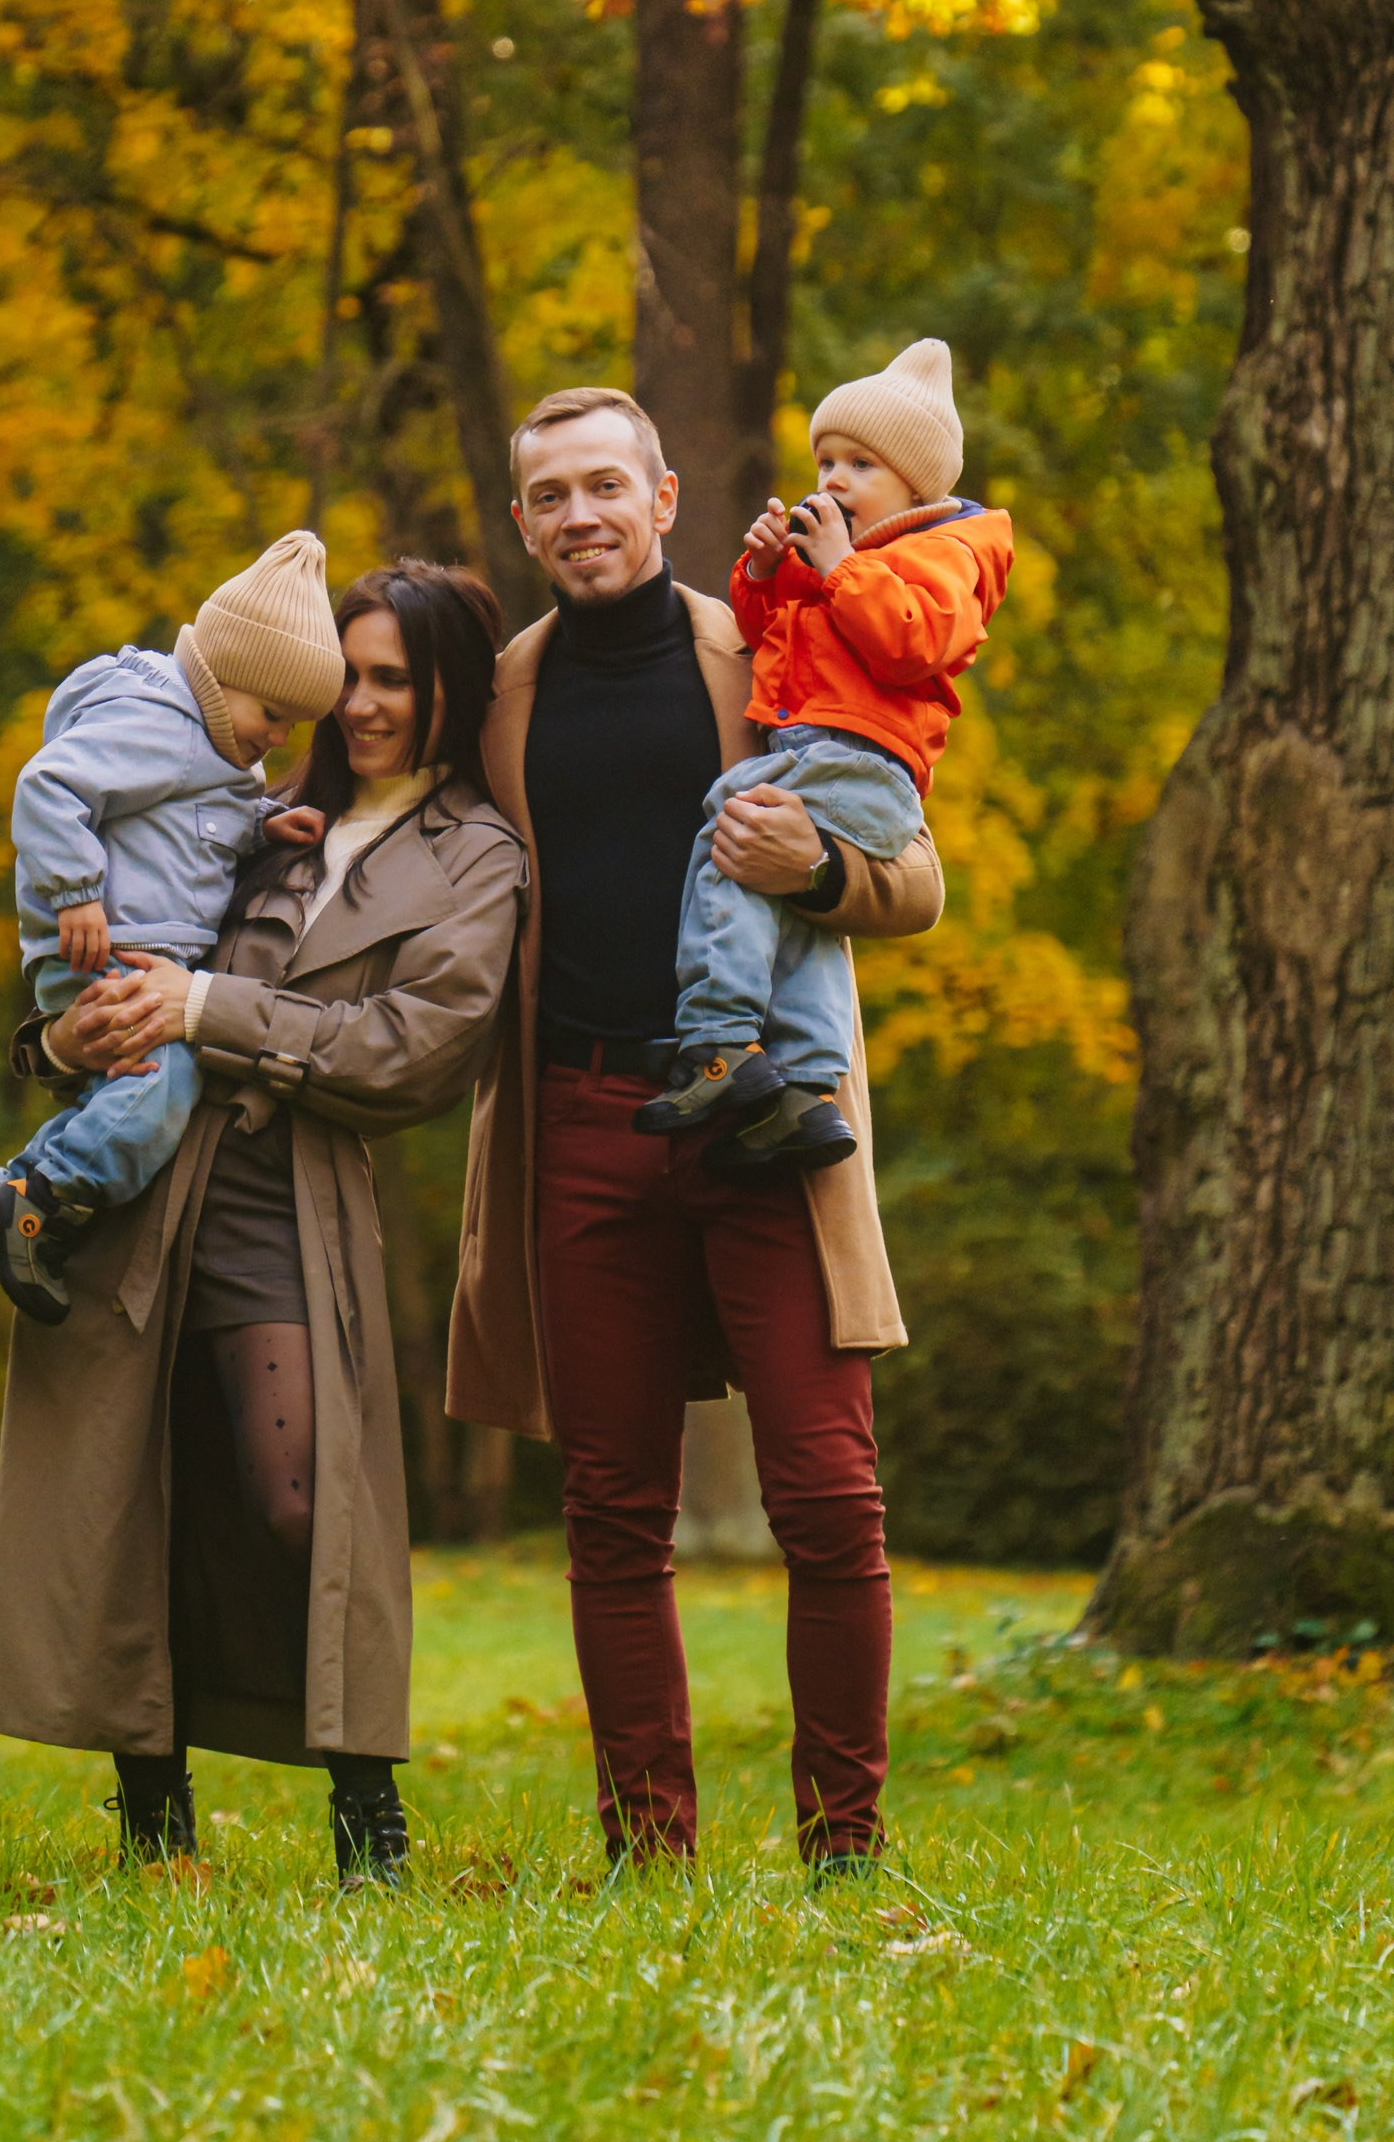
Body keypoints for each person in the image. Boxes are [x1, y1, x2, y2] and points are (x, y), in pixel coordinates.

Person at [0, 561, 525, 1888]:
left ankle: (364, 1812)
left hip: (285, 1192)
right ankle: (156, 1824)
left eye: (396, 680)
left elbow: (412, 1055)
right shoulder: (254, 800)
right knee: (129, 1481)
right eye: (355, 678)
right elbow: (109, 944)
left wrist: (209, 1008)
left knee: (294, 1501)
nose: (368, 706)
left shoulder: (479, 860)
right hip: (140, 1175)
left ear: (450, 692)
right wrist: (56, 1031)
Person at [445, 383, 944, 1879]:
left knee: (829, 1497)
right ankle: (649, 1853)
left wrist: (814, 868)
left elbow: (915, 878)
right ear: (527, 522)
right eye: (553, 496)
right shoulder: (502, 698)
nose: (584, 515)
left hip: (769, 1126)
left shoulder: (778, 642)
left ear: (665, 498)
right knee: (610, 1511)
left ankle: (844, 1846)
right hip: (584, 1119)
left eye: (610, 485)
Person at [0, 531, 341, 1327]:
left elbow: (185, 823)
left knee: (127, 1094)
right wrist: (77, 892)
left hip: (132, 947)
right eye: (274, 714)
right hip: (105, 944)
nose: (278, 737)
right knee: (161, 1088)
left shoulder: (206, 744)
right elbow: (49, 785)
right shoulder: (163, 726)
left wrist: (262, 825)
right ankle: (36, 1207)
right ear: (227, 680)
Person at [638, 339, 1012, 1172]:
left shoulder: (944, 555)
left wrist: (839, 564)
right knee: (796, 914)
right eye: (825, 460)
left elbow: (913, 643)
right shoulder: (851, 559)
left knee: (730, 833)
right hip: (828, 751)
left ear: (918, 485)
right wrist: (768, 568)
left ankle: (719, 1038)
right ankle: (806, 1090)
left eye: (859, 464)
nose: (833, 479)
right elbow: (769, 632)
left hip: (861, 759)